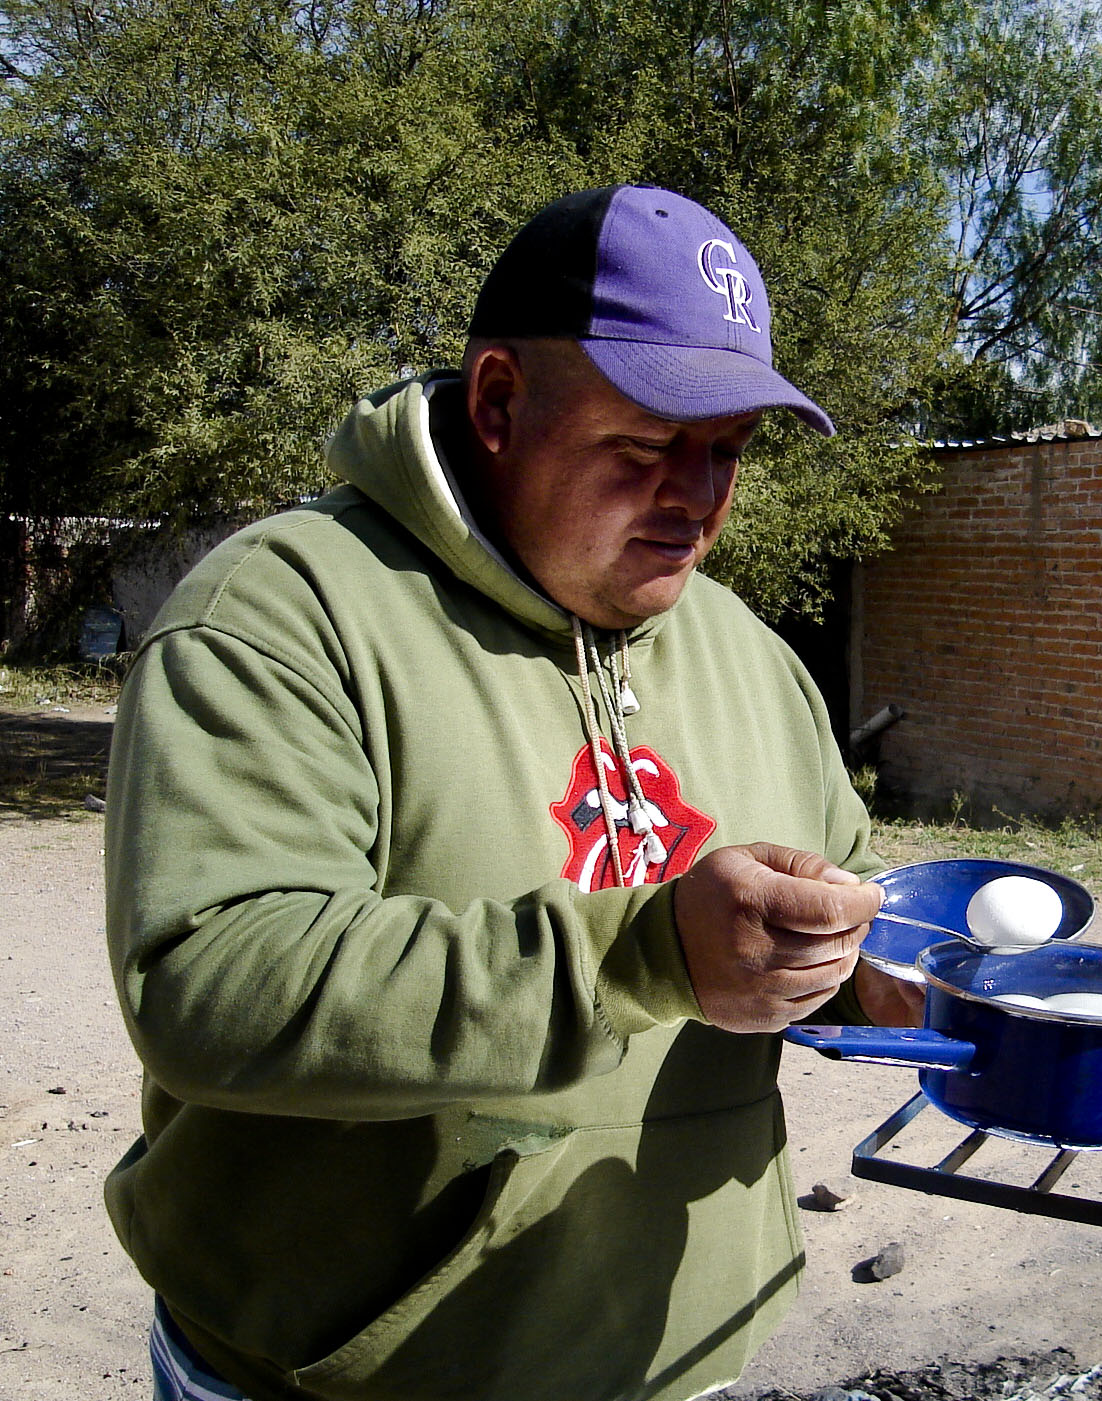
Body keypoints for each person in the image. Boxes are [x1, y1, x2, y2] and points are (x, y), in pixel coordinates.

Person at [103, 185, 923, 1401]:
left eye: (730, 449)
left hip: (678, 1357)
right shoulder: (282, 616)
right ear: (498, 400)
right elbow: (211, 984)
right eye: (648, 443)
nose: (698, 495)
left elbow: (850, 900)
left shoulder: (752, 655)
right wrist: (646, 954)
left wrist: (871, 976)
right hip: (344, 1376)